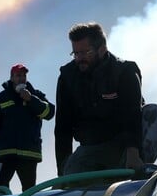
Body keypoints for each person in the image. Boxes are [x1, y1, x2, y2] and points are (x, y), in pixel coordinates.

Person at [54, 22, 145, 176]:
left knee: (152, 113)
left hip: (122, 143)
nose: (79, 58)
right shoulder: (67, 77)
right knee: (71, 173)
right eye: (75, 53)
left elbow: (133, 115)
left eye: (85, 53)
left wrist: (133, 153)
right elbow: (63, 127)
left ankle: (139, 160)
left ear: (102, 49)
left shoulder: (124, 72)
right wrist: (62, 172)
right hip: (90, 148)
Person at [0, 63, 55, 191]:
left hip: (29, 153)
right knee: (0, 188)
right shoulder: (0, 99)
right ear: (11, 78)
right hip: (6, 153)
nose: (21, 78)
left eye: (24, 75)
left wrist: (31, 99)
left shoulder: (36, 95)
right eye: (18, 75)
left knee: (29, 191)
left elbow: (49, 113)